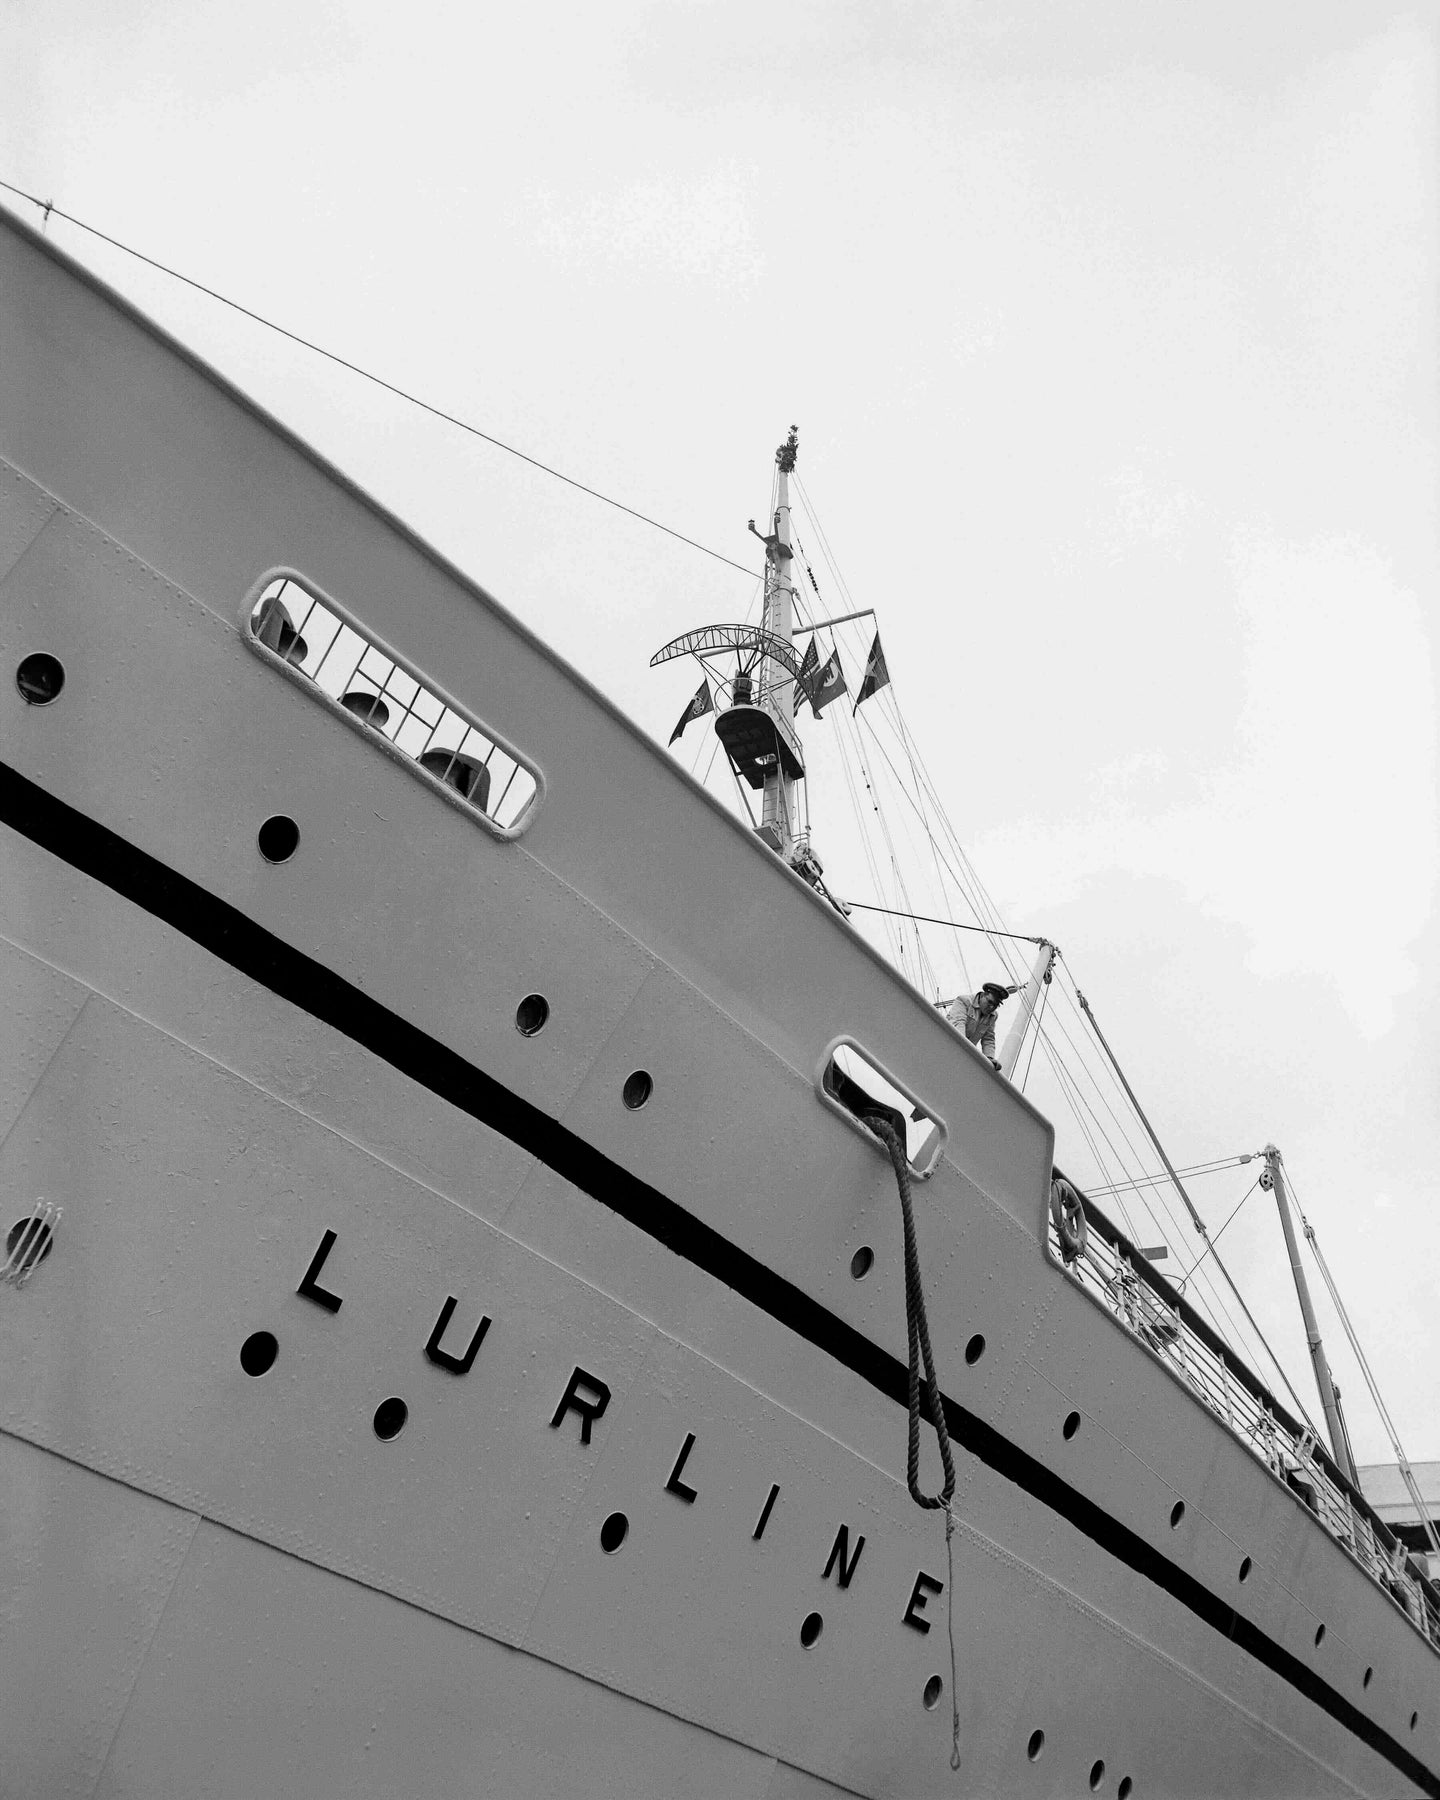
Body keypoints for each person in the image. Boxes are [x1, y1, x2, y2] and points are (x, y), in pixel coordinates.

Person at [939, 982, 1014, 1070]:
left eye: (995, 1005)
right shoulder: (964, 1001)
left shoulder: (993, 1016)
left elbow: (988, 1038)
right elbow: (957, 1023)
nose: (991, 1007)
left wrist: (990, 1058)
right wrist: (963, 1047)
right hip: (946, 1046)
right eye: (990, 1002)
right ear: (983, 995)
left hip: (962, 1055)